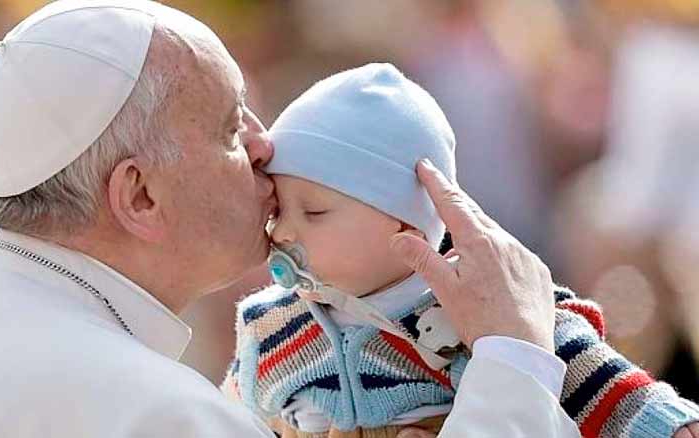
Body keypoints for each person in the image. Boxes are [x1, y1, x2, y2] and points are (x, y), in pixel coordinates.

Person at [0, 1, 594, 436]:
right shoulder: (159, 415)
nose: (264, 142)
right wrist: (514, 357)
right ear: (139, 196)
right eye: (227, 126)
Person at [222, 64, 699, 438]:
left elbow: (599, 385)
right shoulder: (269, 325)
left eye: (314, 213)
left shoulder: (485, 306)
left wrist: (668, 424)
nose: (282, 231)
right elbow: (225, 417)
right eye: (279, 209)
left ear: (403, 224)